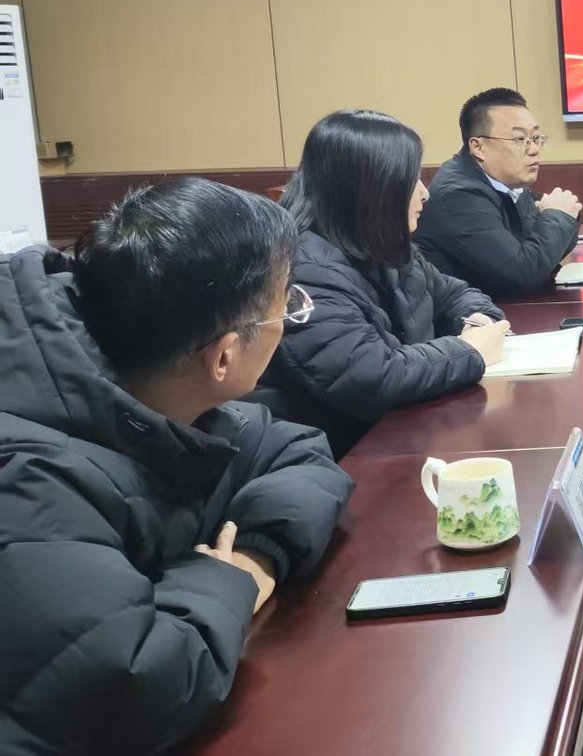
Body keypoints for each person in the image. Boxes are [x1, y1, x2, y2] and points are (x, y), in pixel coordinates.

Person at [0, 179, 354, 753]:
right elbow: (139, 684)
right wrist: (226, 580)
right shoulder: (26, 482)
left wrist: (255, 554)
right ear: (223, 356)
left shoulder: (160, 388)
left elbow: (298, 451)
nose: (290, 319)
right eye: (285, 305)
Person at [252, 109, 510, 456]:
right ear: (372, 189)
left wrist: (476, 320)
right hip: (344, 456)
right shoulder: (303, 271)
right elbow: (371, 376)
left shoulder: (381, 245)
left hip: (404, 434)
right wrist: (470, 351)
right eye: (411, 179)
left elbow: (454, 293)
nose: (425, 193)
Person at [414, 87, 583, 298]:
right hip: (465, 314)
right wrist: (558, 215)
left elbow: (547, 253)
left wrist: (561, 216)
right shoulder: (458, 196)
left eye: (536, 137)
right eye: (520, 139)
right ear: (478, 147)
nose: (534, 149)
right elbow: (521, 275)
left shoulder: (506, 181)